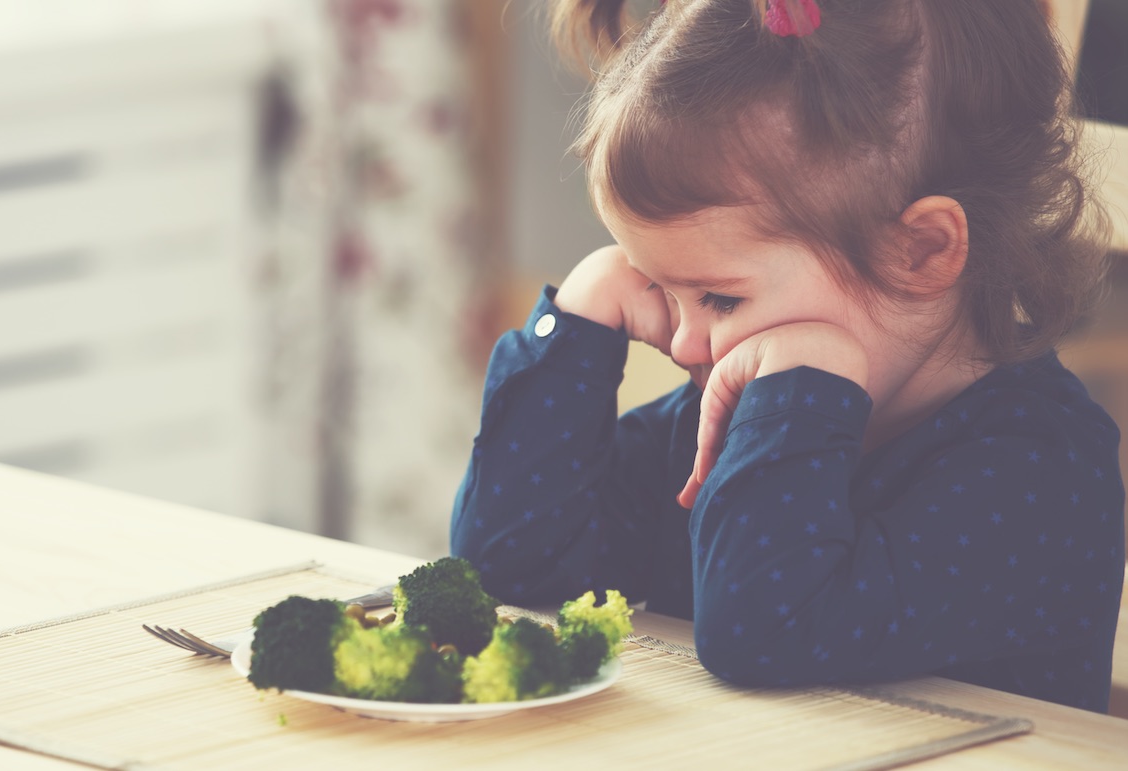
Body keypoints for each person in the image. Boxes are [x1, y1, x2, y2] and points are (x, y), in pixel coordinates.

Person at [451, 0, 1125, 713]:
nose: (681, 343)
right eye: (660, 286)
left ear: (921, 252)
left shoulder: (1038, 471)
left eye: (718, 297)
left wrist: (803, 389)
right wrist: (578, 325)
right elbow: (510, 568)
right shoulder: (728, 415)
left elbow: (761, 635)